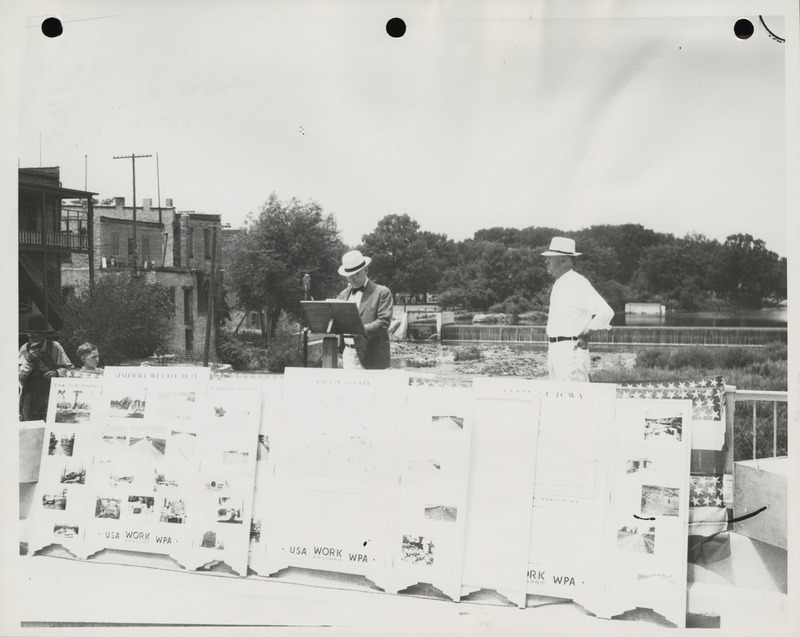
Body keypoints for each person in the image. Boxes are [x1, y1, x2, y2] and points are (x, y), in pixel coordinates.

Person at [542, 237, 614, 382]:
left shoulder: (578, 283)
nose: (546, 261)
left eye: (550, 258)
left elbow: (606, 312)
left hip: (571, 351)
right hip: (555, 350)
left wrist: (587, 333)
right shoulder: (559, 284)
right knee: (557, 401)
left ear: (564, 261)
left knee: (575, 401)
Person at [336, 250, 393, 369]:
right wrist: (339, 353)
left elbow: (383, 322)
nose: (353, 277)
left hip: (373, 357)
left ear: (366, 270)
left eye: (356, 273)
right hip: (347, 355)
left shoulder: (382, 292)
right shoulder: (342, 295)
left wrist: (359, 330)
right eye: (350, 274)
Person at [19, 314, 74, 420]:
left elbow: (70, 370)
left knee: (51, 422)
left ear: (44, 334)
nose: (32, 336)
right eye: (30, 333)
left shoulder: (55, 347)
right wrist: (29, 361)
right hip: (30, 397)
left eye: (36, 333)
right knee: (30, 427)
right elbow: (19, 378)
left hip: (51, 394)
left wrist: (57, 373)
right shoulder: (24, 349)